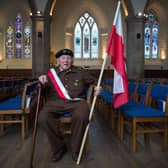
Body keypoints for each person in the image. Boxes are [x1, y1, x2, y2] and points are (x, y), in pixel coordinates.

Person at [38, 48, 102, 162]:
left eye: (68, 58)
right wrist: (41, 81)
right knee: (43, 117)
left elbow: (95, 81)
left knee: (82, 115)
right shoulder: (51, 73)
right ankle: (59, 148)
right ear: (58, 61)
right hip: (55, 103)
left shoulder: (80, 72)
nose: (66, 60)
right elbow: (42, 87)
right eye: (63, 58)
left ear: (72, 60)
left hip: (76, 102)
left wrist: (98, 87)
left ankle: (76, 149)